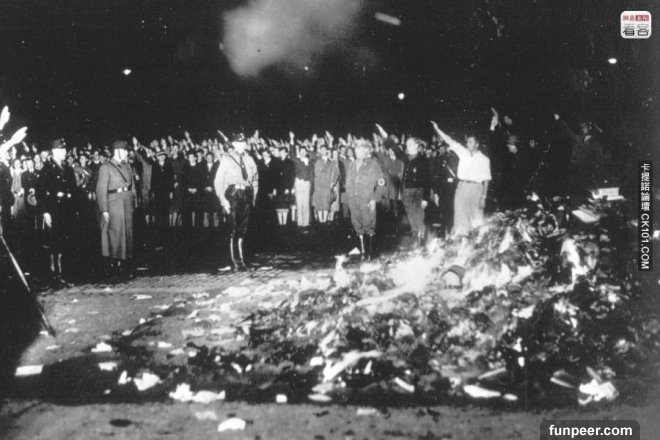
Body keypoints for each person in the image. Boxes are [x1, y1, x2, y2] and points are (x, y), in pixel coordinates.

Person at [432, 122, 491, 237]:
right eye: (467, 142)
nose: (468, 144)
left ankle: (474, 241)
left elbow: (487, 179)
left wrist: (484, 197)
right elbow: (450, 140)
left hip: (476, 189)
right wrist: (437, 129)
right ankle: (460, 240)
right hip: (462, 187)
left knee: (475, 219)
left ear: (477, 144)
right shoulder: (462, 152)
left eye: (471, 142)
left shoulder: (484, 159)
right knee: (459, 215)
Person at [214, 133, 259, 270]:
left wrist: (253, 197)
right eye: (239, 143)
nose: (242, 145)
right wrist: (223, 199)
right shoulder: (226, 159)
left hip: (246, 194)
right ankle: (232, 261)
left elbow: (255, 179)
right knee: (232, 228)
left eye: (243, 143)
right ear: (233, 144)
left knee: (243, 228)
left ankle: (242, 260)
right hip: (233, 194)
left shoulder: (250, 159)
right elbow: (218, 180)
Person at [95, 140, 136, 278]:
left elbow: (132, 186)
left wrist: (133, 203)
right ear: (117, 151)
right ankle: (115, 265)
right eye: (124, 151)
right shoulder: (106, 167)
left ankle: (125, 263)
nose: (126, 153)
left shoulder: (127, 166)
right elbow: (101, 190)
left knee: (127, 233)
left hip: (126, 203)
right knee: (116, 234)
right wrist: (104, 210)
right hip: (114, 204)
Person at [39, 139, 78, 281]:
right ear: (55, 151)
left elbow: (73, 189)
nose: (65, 152)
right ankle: (54, 271)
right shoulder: (47, 169)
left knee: (66, 240)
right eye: (62, 150)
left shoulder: (68, 169)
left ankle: (64, 271)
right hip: (54, 209)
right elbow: (40, 193)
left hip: (67, 208)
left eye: (65, 149)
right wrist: (45, 212)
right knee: (54, 241)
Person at [345, 140, 386, 260]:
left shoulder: (373, 165)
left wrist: (375, 199)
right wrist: (350, 198)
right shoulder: (352, 165)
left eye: (360, 148)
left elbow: (381, 183)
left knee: (369, 226)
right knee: (357, 226)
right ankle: (362, 253)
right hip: (354, 200)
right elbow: (348, 182)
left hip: (367, 200)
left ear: (366, 150)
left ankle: (370, 255)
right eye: (356, 148)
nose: (357, 151)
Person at [312, 144, 339, 225]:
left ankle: (324, 222)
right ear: (320, 151)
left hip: (327, 186)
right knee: (320, 204)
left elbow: (337, 172)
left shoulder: (331, 162)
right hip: (319, 186)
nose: (323, 151)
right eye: (322, 149)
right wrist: (327, 176)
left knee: (326, 204)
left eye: (324, 149)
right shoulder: (318, 161)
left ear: (327, 151)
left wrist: (333, 182)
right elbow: (317, 173)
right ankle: (321, 222)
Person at [150, 150, 174, 235]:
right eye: (159, 156)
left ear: (165, 157)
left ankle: (166, 229)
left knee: (166, 210)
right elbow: (152, 179)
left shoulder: (169, 166)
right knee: (158, 210)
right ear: (157, 157)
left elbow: (171, 180)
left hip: (166, 192)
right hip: (157, 192)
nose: (161, 157)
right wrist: (152, 191)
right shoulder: (154, 166)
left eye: (163, 155)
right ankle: (158, 228)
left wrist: (171, 191)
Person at [292, 145, 313, 229]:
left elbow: (311, 174)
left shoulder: (310, 162)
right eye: (301, 151)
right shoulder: (296, 160)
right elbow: (292, 154)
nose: (303, 153)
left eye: (304, 151)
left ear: (306, 152)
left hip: (307, 183)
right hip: (298, 182)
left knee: (306, 203)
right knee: (299, 203)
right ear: (299, 152)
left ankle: (306, 223)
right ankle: (299, 223)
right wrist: (292, 142)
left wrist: (312, 186)